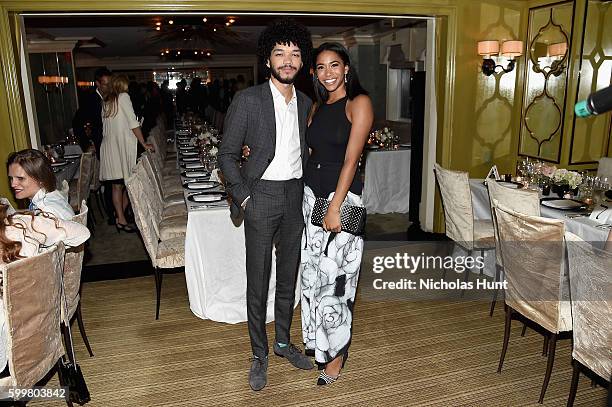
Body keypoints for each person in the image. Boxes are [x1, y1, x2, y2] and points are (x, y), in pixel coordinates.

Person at [218, 18, 314, 391]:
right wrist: (244, 196)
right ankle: (259, 355)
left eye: (294, 54)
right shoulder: (248, 100)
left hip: (294, 196)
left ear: (302, 62)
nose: (287, 60)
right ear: (268, 60)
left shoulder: (306, 102)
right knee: (258, 283)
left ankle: (284, 343)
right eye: (280, 53)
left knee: (289, 275)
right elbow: (226, 155)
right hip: (260, 197)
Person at [301, 42, 373, 385]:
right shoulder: (318, 105)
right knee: (313, 276)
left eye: (334, 65)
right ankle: (318, 343)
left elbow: (351, 160)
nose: (327, 73)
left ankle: (336, 357)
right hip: (312, 197)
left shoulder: (359, 103)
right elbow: (310, 153)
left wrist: (334, 207)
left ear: (346, 68)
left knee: (339, 282)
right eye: (320, 67)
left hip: (344, 202)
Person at [0, 203, 91, 373]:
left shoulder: (19, 227)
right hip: (40, 318)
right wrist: (49, 243)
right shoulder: (24, 224)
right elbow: (81, 233)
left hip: (14, 331)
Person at [99, 74, 154, 232]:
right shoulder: (123, 97)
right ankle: (121, 219)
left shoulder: (107, 101)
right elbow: (132, 122)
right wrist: (143, 143)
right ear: (123, 85)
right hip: (120, 147)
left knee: (119, 186)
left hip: (110, 147)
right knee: (127, 184)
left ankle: (120, 218)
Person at [7, 149, 74, 220]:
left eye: (20, 178)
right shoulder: (51, 195)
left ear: (40, 179)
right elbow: (33, 212)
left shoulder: (47, 213)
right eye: (11, 178)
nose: (13, 184)